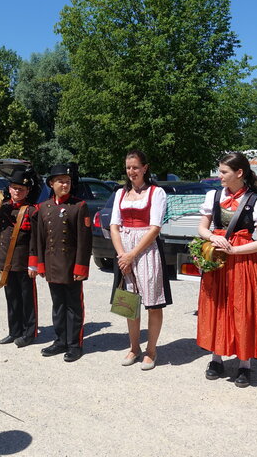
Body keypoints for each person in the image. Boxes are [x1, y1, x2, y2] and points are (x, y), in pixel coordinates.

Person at [196, 152, 257, 387]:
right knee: (217, 305)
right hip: (217, 258)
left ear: (239, 173)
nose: (219, 176)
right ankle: (216, 358)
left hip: (243, 261)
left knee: (242, 308)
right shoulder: (214, 196)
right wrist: (212, 237)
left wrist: (235, 251)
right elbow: (202, 228)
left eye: (223, 172)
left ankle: (244, 364)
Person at [110, 150, 172, 371]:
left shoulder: (156, 192)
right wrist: (122, 255)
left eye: (135, 167)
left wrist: (132, 254)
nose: (131, 171)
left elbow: (155, 228)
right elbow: (114, 226)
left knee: (152, 303)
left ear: (145, 168)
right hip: (124, 250)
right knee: (129, 301)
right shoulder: (120, 193)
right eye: (128, 168)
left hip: (146, 250)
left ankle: (151, 350)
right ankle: (134, 347)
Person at [30, 163, 92, 362]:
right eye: (60, 181)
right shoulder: (44, 208)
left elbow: (84, 241)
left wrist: (81, 267)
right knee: (58, 305)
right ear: (51, 183)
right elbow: (39, 239)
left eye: (68, 181)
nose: (65, 185)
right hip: (52, 265)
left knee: (74, 306)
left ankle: (74, 344)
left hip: (71, 266)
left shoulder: (79, 206)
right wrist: (40, 264)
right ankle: (60, 341)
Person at [0, 168, 39, 347]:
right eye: (14, 188)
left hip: (23, 263)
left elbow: (36, 240)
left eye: (21, 189)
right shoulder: (2, 208)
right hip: (5, 261)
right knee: (12, 298)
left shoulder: (32, 211)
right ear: (9, 189)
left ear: (27, 191)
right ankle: (14, 331)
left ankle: (29, 333)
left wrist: (33, 263)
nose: (17, 191)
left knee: (27, 299)